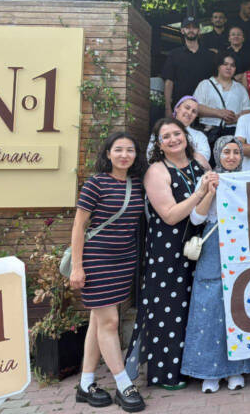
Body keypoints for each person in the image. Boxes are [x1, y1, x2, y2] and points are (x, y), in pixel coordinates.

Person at [125, 118, 212, 390]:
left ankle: (197, 366)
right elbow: (170, 215)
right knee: (168, 308)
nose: (173, 139)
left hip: (199, 243)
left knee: (195, 306)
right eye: (166, 137)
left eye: (177, 133)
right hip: (168, 249)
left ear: (186, 135)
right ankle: (167, 374)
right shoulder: (156, 171)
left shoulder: (200, 163)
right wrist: (199, 193)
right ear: (159, 145)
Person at [70, 132, 148, 412]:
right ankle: (124, 384)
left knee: (99, 321)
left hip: (123, 260)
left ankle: (85, 384)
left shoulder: (136, 183)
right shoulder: (96, 183)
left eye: (130, 150)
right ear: (108, 154)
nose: (124, 155)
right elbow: (79, 226)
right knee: (110, 322)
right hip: (96, 259)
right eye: (118, 150)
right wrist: (77, 266)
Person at [181, 136, 250, 393]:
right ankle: (209, 372)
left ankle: (237, 370)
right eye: (226, 152)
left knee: (240, 303)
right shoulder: (208, 178)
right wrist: (210, 191)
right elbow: (196, 218)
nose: (231, 157)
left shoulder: (248, 178)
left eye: (236, 152)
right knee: (210, 305)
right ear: (217, 154)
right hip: (214, 245)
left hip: (242, 244)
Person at [162, 15, 215, 118]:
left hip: (205, 108)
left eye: (194, 27)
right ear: (182, 31)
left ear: (199, 31)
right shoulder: (174, 54)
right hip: (180, 107)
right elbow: (169, 82)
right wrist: (167, 108)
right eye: (187, 27)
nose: (191, 30)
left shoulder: (209, 55)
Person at [193, 52, 250, 144]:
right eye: (225, 64)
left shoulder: (240, 88)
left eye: (232, 65)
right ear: (218, 66)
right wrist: (219, 113)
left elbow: (248, 110)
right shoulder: (205, 84)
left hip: (233, 132)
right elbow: (196, 107)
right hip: (209, 131)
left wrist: (236, 118)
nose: (229, 67)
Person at [146, 96, 211, 163]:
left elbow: (204, 159)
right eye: (187, 108)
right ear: (177, 108)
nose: (189, 113)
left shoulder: (200, 137)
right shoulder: (161, 130)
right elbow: (150, 156)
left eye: (194, 111)